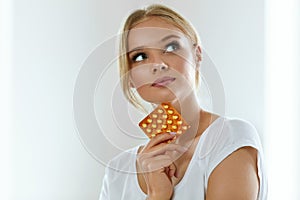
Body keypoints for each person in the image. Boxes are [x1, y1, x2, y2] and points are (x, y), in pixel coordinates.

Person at [99, 4, 267, 200]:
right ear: (129, 78)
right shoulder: (117, 171)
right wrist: (157, 194)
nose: (158, 65)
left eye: (170, 47)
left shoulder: (229, 137)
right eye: (140, 56)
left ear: (197, 55)